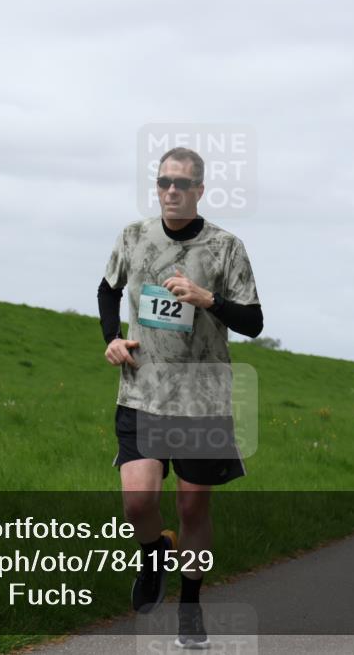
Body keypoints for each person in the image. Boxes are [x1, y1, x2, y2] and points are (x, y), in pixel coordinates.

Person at [98, 146, 263, 649]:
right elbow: (107, 290)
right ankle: (154, 556)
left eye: (182, 184)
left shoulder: (225, 247)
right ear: (158, 187)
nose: (172, 191)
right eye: (164, 182)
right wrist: (110, 337)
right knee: (137, 502)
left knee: (193, 510)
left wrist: (206, 299)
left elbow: (254, 323)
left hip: (202, 400)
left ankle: (190, 610)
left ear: (199, 191)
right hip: (142, 390)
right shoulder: (133, 236)